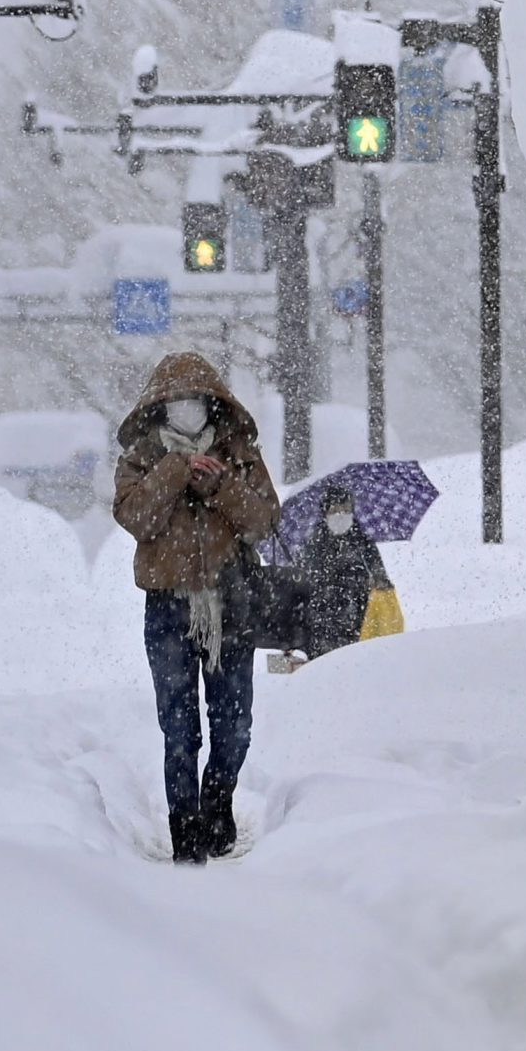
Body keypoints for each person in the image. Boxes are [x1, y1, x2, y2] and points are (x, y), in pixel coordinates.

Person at [112, 352, 280, 865]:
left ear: (213, 405)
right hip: (167, 609)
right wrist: (174, 472)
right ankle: (185, 832)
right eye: (176, 402)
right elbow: (135, 518)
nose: (187, 410)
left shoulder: (239, 452)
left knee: (234, 725)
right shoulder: (142, 456)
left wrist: (217, 482)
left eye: (195, 402)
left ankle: (217, 807)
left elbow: (263, 520)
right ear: (160, 408)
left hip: (230, 605)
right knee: (179, 727)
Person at [295, 482, 393, 658]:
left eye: (346, 509)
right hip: (322, 627)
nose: (341, 514)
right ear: (325, 514)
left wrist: (376, 582)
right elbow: (305, 584)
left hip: (361, 623)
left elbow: (381, 578)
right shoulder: (314, 545)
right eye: (335, 509)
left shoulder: (362, 541)